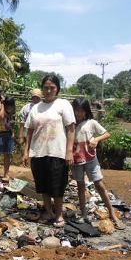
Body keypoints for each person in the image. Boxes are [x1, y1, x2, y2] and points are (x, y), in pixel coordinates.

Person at [23, 75, 76, 227]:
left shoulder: (63, 104)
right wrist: (26, 151)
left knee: (58, 185)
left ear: (57, 89)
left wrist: (69, 151)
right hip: (38, 152)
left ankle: (59, 215)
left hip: (57, 152)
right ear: (42, 89)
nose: (48, 90)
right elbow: (30, 131)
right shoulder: (36, 108)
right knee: (43, 185)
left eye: (52, 87)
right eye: (46, 87)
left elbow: (71, 129)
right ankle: (48, 211)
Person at [71, 97, 126, 230]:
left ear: (86, 111)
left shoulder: (91, 122)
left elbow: (107, 134)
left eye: (82, 111)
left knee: (99, 185)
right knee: (80, 187)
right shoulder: (70, 124)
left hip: (90, 158)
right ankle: (83, 213)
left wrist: (96, 139)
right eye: (76, 110)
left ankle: (112, 214)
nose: (79, 114)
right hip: (76, 160)